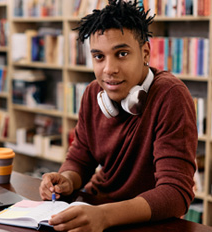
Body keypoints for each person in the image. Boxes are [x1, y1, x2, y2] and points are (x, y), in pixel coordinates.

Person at [39, 0, 197, 231]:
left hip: (139, 221)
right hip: (94, 209)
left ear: (145, 53)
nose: (108, 69)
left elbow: (176, 193)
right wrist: (67, 180)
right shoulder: (93, 92)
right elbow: (81, 158)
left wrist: (104, 216)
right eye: (99, 57)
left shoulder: (170, 95)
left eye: (121, 54)